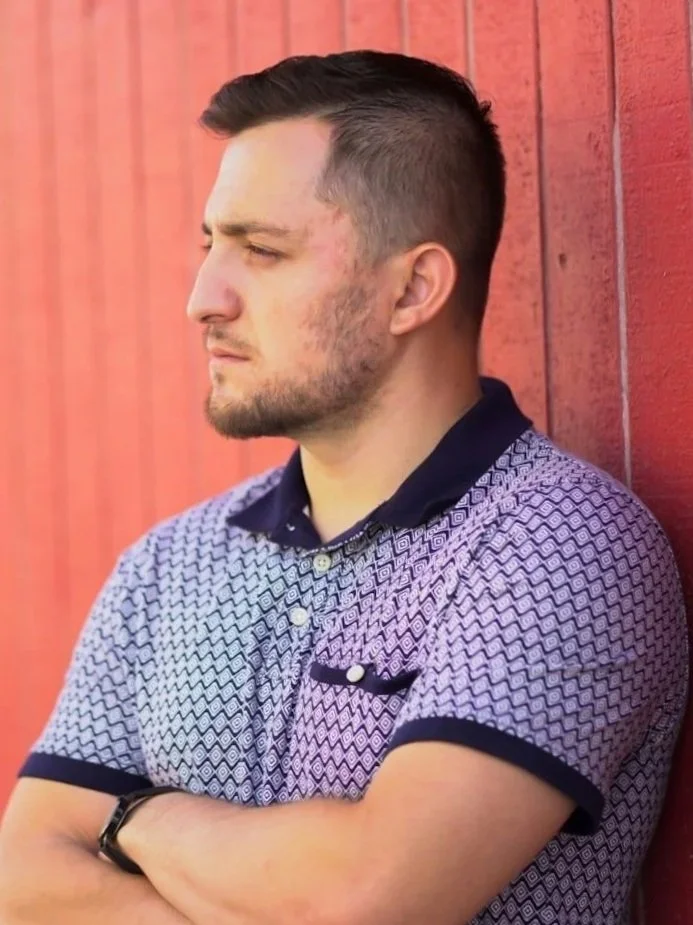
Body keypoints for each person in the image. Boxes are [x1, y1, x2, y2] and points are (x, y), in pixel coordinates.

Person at [0, 50, 687, 925]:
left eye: (263, 250)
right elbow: (25, 882)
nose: (203, 297)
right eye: (211, 245)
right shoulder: (171, 563)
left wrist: (131, 817)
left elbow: (366, 901)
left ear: (412, 288)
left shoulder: (557, 542)